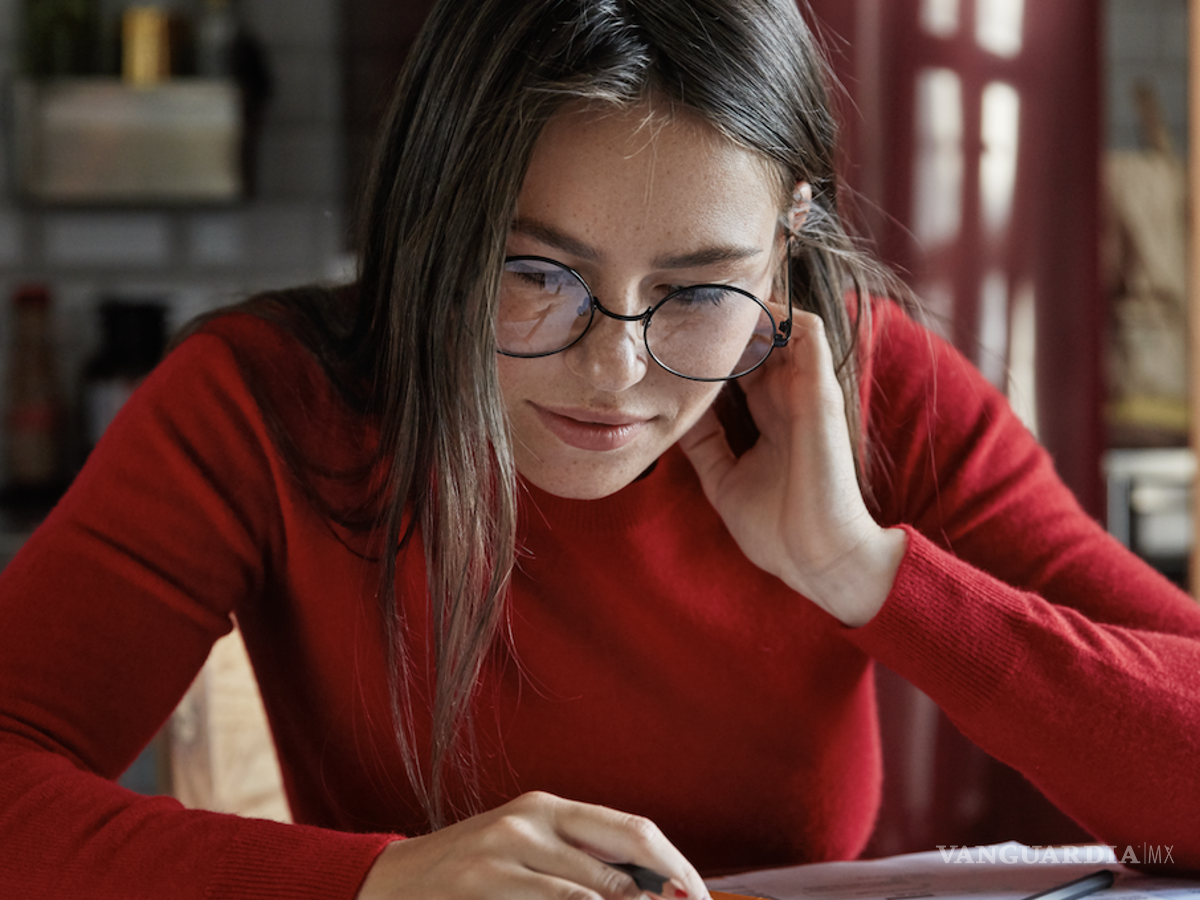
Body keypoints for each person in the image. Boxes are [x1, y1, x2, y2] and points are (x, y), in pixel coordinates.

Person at [2, 0, 1199, 897]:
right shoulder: (263, 408)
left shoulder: (868, 393)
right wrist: (378, 882)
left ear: (787, 244)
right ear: (436, 230)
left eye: (697, 290)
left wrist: (863, 570)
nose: (615, 370)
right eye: (538, 275)